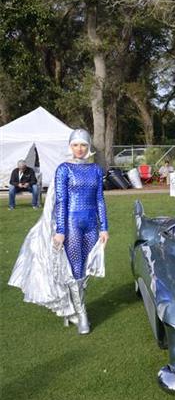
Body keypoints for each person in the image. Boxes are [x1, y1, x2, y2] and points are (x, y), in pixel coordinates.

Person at [8, 129, 108, 335]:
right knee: (76, 268)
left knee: (86, 268)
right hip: (71, 224)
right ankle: (82, 315)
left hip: (91, 224)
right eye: (75, 145)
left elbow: (100, 199)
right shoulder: (64, 169)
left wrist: (104, 227)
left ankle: (77, 307)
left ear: (88, 147)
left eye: (83, 145)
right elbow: (60, 202)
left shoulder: (96, 170)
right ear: (70, 147)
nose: (79, 149)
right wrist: (60, 230)